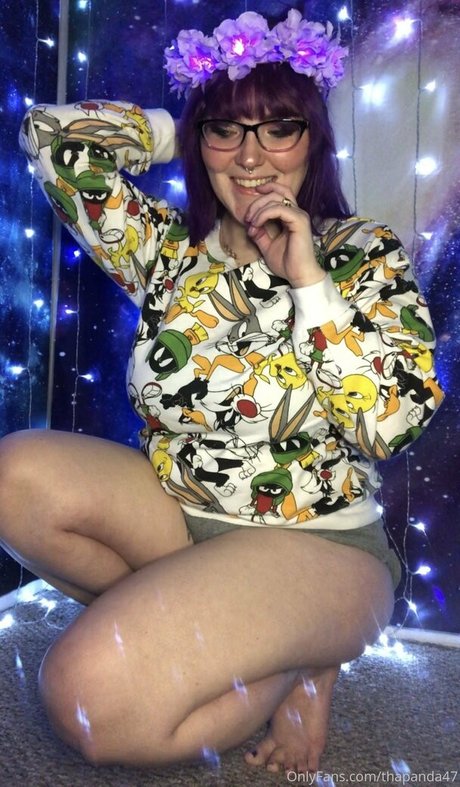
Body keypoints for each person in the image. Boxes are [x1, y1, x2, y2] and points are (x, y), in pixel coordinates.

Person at [0, 9, 443, 776]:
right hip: (178, 516)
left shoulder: (362, 254)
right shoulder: (169, 252)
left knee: (84, 697)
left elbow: (389, 425)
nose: (251, 155)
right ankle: (228, 635)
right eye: (226, 131)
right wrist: (180, 128)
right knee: (13, 477)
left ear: (313, 141)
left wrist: (308, 282)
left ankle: (302, 657)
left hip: (321, 549)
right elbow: (51, 138)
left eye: (279, 129)